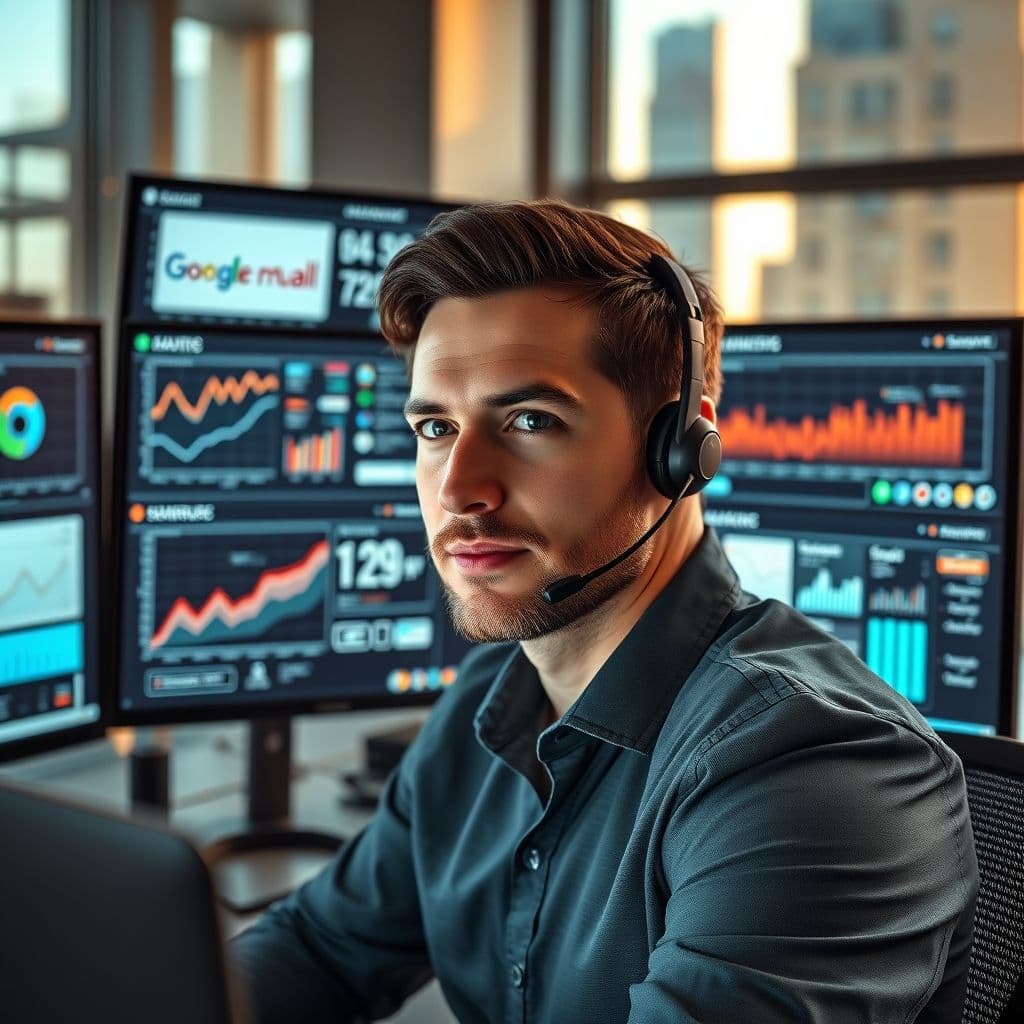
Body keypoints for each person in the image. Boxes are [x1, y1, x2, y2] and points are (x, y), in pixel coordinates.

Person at [232, 201, 978, 1023]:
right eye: (437, 427)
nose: (458, 489)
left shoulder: (815, 767)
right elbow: (320, 949)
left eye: (530, 421)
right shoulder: (487, 707)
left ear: (678, 451)